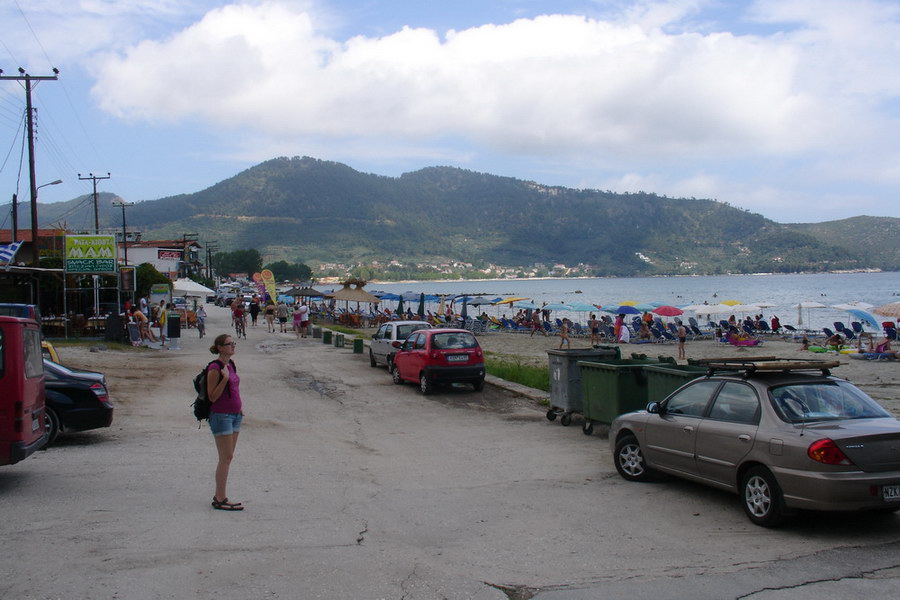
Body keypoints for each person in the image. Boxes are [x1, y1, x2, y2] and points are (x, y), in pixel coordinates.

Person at [207, 334, 244, 511]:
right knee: (225, 457)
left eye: (233, 343)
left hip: (235, 415)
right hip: (221, 416)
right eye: (229, 344)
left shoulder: (231, 364)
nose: (233, 346)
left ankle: (220, 495)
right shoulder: (215, 368)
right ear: (220, 347)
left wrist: (240, 409)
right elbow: (212, 396)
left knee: (228, 457)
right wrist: (225, 379)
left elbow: (235, 389)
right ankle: (220, 497)